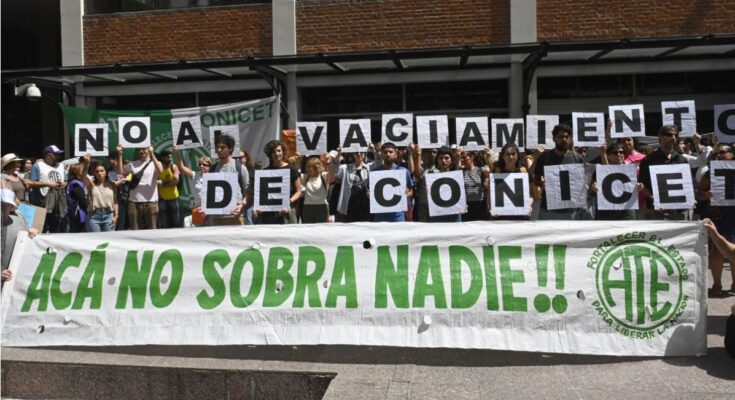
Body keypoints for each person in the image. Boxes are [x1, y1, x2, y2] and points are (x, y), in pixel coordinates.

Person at [696, 144, 735, 296]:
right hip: (718, 215)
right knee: (717, 251)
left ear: (732, 154)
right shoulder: (710, 172)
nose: (719, 155)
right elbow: (699, 193)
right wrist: (705, 195)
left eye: (723, 152)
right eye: (716, 153)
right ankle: (717, 284)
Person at [533, 124, 585, 220]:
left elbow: (581, 180)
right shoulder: (545, 157)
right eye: (560, 136)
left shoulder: (577, 158)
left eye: (566, 137)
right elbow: (536, 179)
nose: (564, 139)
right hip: (548, 209)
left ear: (570, 139)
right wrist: (542, 184)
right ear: (554, 138)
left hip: (570, 210)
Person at [638, 125, 690, 220]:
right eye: (669, 135)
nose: (673, 138)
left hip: (680, 211)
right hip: (657, 211)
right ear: (660, 138)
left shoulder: (682, 160)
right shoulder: (648, 161)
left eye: (675, 135)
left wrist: (691, 197)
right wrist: (655, 199)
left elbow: (688, 185)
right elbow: (643, 186)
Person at [117, 144, 163, 230]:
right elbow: (120, 174)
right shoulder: (132, 164)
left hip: (151, 202)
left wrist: (152, 154)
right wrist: (119, 154)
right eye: (139, 149)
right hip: (134, 202)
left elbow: (160, 171)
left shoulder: (156, 163)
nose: (141, 151)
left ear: (148, 149)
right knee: (135, 231)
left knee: (152, 231)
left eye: (143, 149)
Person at [208, 135, 249, 225]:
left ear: (230, 149)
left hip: (235, 217)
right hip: (216, 217)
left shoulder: (240, 168)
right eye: (217, 147)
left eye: (223, 147)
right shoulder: (212, 169)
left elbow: (248, 191)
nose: (219, 150)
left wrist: (241, 205)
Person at [255, 140, 299, 225]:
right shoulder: (265, 171)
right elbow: (262, 193)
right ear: (270, 154)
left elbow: (299, 191)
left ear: (283, 152)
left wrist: (288, 201)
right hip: (269, 214)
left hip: (287, 212)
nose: (276, 154)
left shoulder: (292, 169)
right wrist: (259, 207)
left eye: (279, 151)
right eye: (273, 152)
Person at [369, 142, 414, 222]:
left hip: (397, 216)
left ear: (395, 154)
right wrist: (369, 194)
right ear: (382, 155)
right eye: (385, 152)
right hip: (380, 216)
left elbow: (411, 191)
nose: (388, 154)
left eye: (390, 152)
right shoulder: (374, 172)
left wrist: (406, 194)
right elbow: (370, 191)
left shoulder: (403, 171)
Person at [1, 189, 38, 284]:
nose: (2, 207)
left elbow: (27, 239)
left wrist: (33, 235)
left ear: (11, 207)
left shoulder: (18, 220)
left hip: (11, 279)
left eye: (5, 204)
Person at [27, 145, 67, 233]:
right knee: (39, 230)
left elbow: (66, 181)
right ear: (49, 155)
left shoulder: (60, 166)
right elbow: (32, 183)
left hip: (56, 204)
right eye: (56, 154)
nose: (58, 156)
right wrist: (49, 184)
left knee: (55, 230)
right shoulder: (37, 166)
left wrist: (63, 184)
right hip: (40, 203)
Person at [329, 148, 372, 222]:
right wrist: (339, 153)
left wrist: (373, 150)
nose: (359, 154)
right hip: (350, 204)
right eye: (356, 153)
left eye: (361, 152)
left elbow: (379, 162)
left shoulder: (369, 168)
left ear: (365, 154)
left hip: (365, 204)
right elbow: (335, 167)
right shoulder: (345, 168)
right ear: (353, 155)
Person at [491, 143, 533, 220]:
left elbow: (531, 194)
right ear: (503, 156)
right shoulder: (497, 172)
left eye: (513, 154)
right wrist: (491, 208)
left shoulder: (523, 171)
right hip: (501, 217)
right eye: (508, 154)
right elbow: (490, 194)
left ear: (517, 155)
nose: (511, 157)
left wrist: (529, 206)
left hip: (521, 217)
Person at [173, 146, 211, 227]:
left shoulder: (215, 176)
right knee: (197, 230)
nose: (201, 166)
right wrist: (177, 152)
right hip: (198, 209)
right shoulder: (195, 175)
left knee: (211, 231)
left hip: (211, 210)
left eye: (204, 164)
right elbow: (181, 167)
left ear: (210, 166)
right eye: (200, 164)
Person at [426, 146, 461, 223]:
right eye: (441, 158)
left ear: (451, 160)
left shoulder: (457, 176)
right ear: (437, 160)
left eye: (446, 158)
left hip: (454, 214)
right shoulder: (432, 177)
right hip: (438, 214)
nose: (443, 161)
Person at [86, 161, 119, 232]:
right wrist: (86, 163)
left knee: (110, 238)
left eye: (102, 171)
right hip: (94, 216)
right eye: (97, 171)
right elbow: (83, 176)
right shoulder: (91, 184)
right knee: (96, 239)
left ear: (106, 172)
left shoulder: (112, 184)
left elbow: (115, 201)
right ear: (94, 173)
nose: (99, 173)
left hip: (109, 215)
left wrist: (116, 215)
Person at [299, 156, 330, 223]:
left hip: (322, 207)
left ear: (317, 167)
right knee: (308, 229)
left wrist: (328, 164)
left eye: (311, 166)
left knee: (321, 228)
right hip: (307, 207)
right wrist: (299, 161)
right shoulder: (305, 177)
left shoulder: (323, 176)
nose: (308, 169)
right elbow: (295, 174)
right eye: (308, 166)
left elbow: (331, 177)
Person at [461, 150, 490, 221]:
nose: (462, 160)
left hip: (480, 204)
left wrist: (487, 157)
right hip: (466, 205)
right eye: (461, 158)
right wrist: (457, 157)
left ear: (472, 157)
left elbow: (490, 171)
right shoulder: (461, 171)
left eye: (464, 157)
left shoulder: (480, 170)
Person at [157, 150, 181, 228]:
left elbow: (175, 181)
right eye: (168, 157)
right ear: (162, 158)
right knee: (164, 224)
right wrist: (169, 180)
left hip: (173, 199)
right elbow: (156, 183)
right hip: (162, 200)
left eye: (171, 157)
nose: (170, 159)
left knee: (176, 223)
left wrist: (162, 183)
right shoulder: (157, 169)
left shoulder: (174, 167)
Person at [66, 159, 91, 233]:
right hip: (79, 215)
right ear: (77, 172)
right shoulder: (75, 184)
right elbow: (82, 200)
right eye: (83, 169)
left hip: (83, 214)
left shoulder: (81, 182)